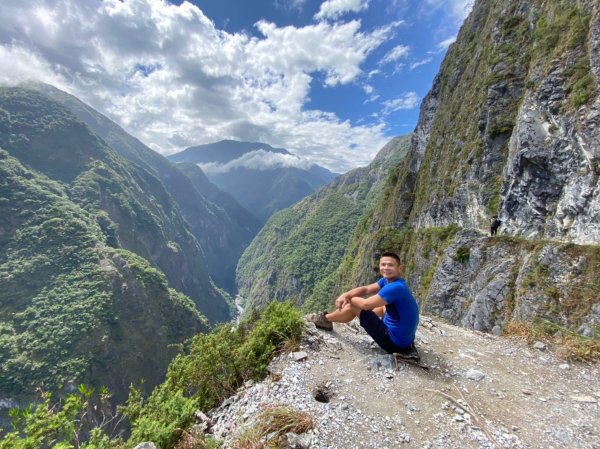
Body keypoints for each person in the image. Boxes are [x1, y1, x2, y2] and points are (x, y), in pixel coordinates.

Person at [307, 252, 419, 354]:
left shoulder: (395, 287)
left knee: (354, 305)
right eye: (383, 265)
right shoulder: (390, 281)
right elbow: (366, 289)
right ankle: (350, 317)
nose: (386, 268)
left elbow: (365, 305)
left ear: (400, 268)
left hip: (394, 344)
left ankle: (325, 319)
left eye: (390, 265)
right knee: (381, 305)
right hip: (405, 341)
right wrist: (346, 294)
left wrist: (348, 298)